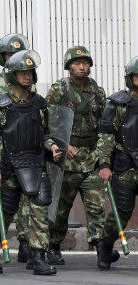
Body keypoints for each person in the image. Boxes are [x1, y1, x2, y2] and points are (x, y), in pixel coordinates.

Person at [0, 50, 60, 275]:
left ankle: (38, 257)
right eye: (22, 73)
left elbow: (45, 134)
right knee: (3, 212)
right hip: (9, 165)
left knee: (39, 211)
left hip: (36, 163)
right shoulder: (0, 106)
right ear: (11, 75)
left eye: (30, 73)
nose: (27, 77)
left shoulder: (39, 103)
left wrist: (52, 147)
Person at [45, 46, 119, 266]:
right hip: (67, 158)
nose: (81, 66)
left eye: (85, 62)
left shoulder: (98, 91)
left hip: (92, 157)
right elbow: (48, 123)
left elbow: (105, 125)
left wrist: (104, 156)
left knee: (96, 208)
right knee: (60, 209)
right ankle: (53, 246)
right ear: (69, 66)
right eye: (77, 63)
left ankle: (101, 248)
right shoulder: (59, 90)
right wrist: (60, 144)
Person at [0, 33, 31, 262]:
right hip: (0, 151)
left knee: (28, 201)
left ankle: (25, 242)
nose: (14, 59)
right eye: (10, 54)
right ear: (2, 58)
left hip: (25, 151)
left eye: (19, 55)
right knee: (3, 202)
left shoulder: (29, 84)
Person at [96, 56, 138, 270]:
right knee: (121, 211)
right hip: (125, 165)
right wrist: (104, 165)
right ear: (131, 78)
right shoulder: (118, 104)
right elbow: (106, 136)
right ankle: (105, 246)